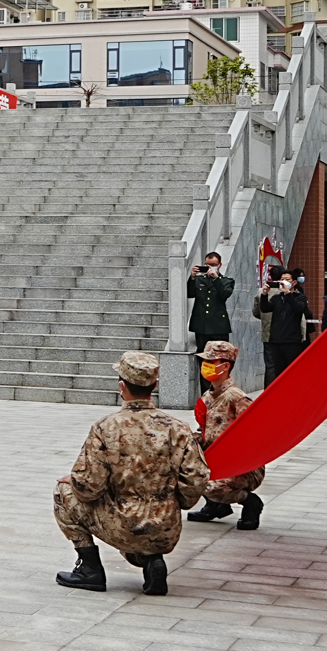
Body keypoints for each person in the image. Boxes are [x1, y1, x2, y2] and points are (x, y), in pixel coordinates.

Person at [53, 351, 210, 596]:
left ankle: (90, 569)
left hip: (124, 526)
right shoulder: (178, 428)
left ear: (121, 386)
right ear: (155, 386)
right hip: (166, 528)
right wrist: (177, 503)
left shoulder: (106, 427)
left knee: (63, 492)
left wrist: (73, 482)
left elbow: (89, 487)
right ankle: (150, 560)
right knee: (141, 525)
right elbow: (197, 477)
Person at [185, 340, 265, 529]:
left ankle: (250, 502)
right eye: (205, 362)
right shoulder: (208, 397)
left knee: (207, 485)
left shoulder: (236, 397)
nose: (205, 367)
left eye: (211, 363)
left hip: (242, 465)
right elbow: (204, 432)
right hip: (216, 459)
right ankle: (215, 506)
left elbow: (254, 434)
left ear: (226, 366)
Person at [186, 251, 233, 391]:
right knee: (205, 362)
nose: (210, 267)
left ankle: (221, 390)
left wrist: (216, 278)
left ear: (220, 265)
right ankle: (206, 393)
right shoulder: (200, 280)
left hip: (219, 327)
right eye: (207, 265)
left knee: (221, 361)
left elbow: (225, 294)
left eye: (213, 265)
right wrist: (192, 278)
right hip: (202, 326)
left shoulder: (226, 281)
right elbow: (189, 293)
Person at [259, 268, 311, 382]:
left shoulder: (300, 297)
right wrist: (264, 295)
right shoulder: (277, 298)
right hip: (276, 340)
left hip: (292, 341)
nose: (283, 281)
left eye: (287, 279)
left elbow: (298, 309)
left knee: (292, 371)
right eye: (282, 279)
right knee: (278, 371)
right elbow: (265, 308)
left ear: (294, 282)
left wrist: (288, 294)